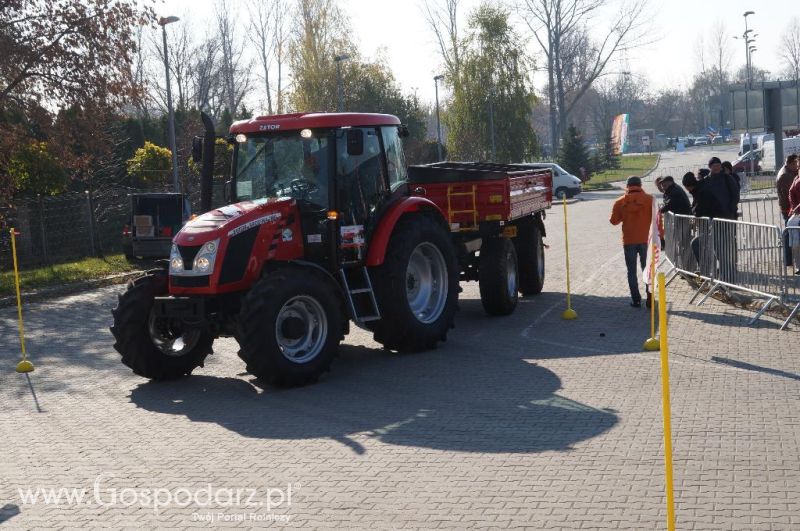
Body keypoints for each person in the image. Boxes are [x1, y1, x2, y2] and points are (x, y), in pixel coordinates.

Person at [610, 176, 654, 308]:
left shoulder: (620, 202)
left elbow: (613, 221)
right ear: (640, 185)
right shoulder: (650, 200)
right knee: (647, 270)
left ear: (627, 186)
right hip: (646, 239)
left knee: (631, 272)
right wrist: (661, 237)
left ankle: (636, 300)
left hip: (629, 240)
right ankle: (650, 300)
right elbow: (657, 221)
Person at [776, 154, 800, 267]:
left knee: (789, 234)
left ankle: (789, 260)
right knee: (789, 235)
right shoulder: (786, 176)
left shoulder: (789, 173)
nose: (797, 166)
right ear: (791, 163)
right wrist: (794, 208)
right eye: (795, 164)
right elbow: (789, 194)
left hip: (790, 208)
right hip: (789, 209)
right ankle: (789, 260)